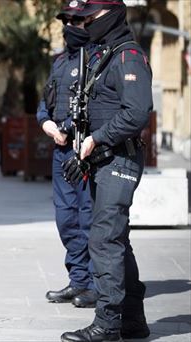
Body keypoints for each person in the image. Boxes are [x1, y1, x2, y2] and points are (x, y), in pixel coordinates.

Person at [60, 1, 153, 341]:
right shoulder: (105, 55)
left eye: (91, 17)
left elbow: (138, 111)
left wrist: (97, 139)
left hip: (120, 159)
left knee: (104, 240)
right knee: (117, 241)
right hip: (103, 160)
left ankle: (108, 325)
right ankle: (133, 320)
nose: (85, 24)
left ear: (112, 15)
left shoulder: (128, 57)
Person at [36, 0, 97, 309]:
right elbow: (44, 103)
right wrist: (48, 124)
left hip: (85, 152)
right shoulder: (59, 62)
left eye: (77, 20)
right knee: (65, 219)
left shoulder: (99, 59)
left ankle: (93, 284)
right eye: (67, 21)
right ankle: (78, 280)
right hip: (61, 151)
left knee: (87, 218)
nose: (71, 26)